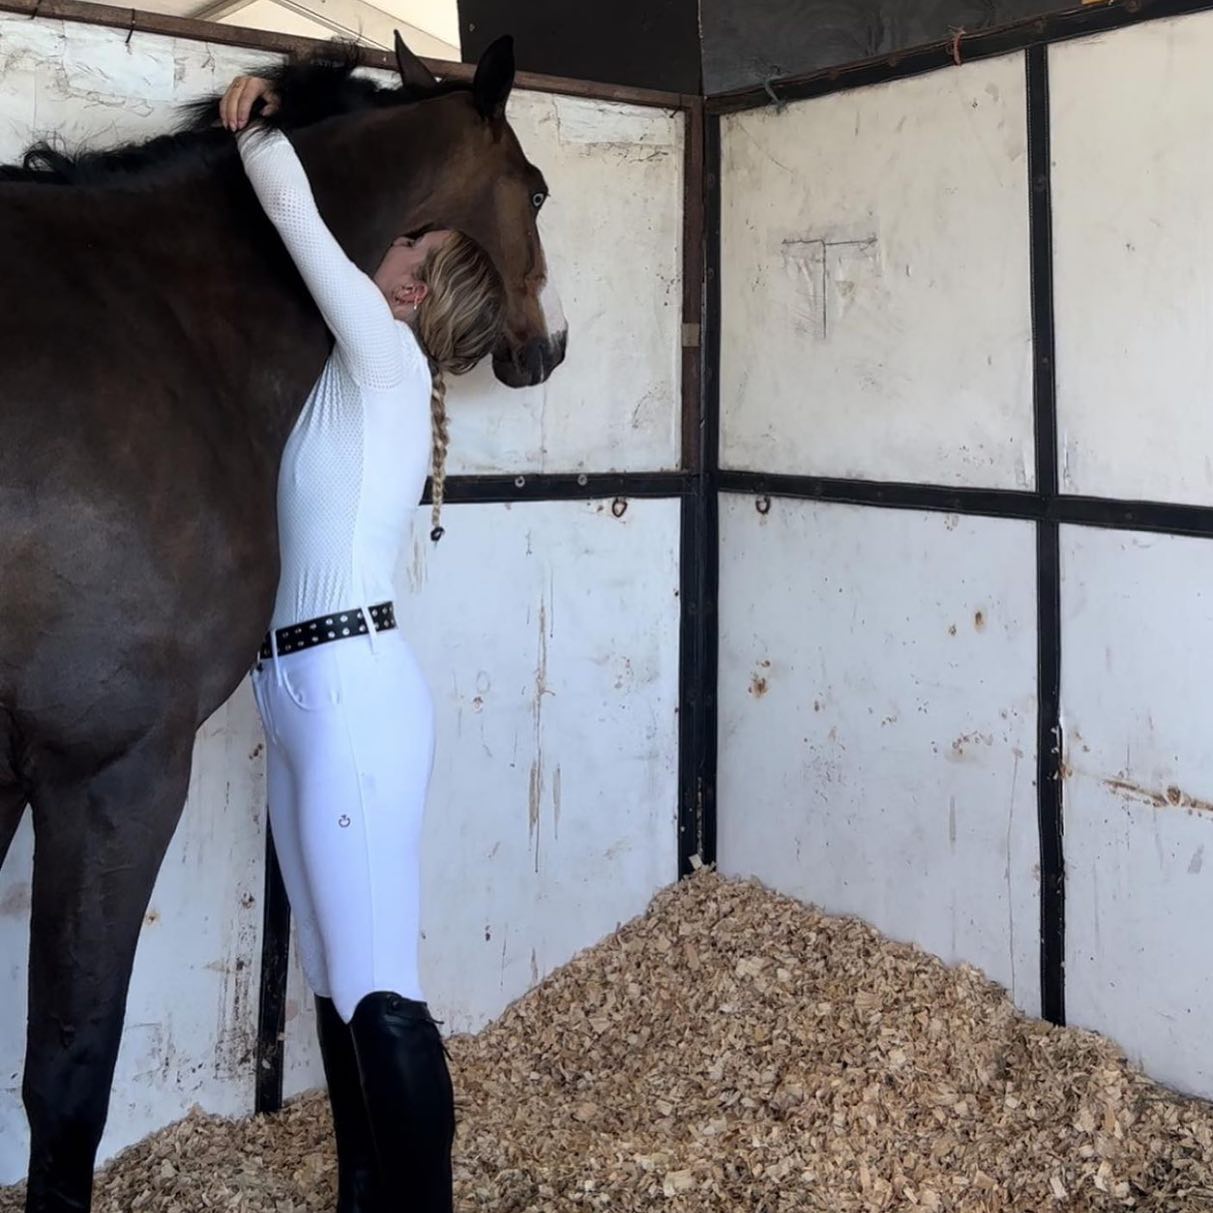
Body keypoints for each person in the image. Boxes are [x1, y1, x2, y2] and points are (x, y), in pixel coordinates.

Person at [221, 73, 505, 1213]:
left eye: (413, 244)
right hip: (299, 692)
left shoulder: (383, 357)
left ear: (422, 288)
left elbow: (298, 220)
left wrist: (257, 131)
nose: (392, 246)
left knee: (380, 986)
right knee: (344, 986)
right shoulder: (359, 377)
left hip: (349, 694)